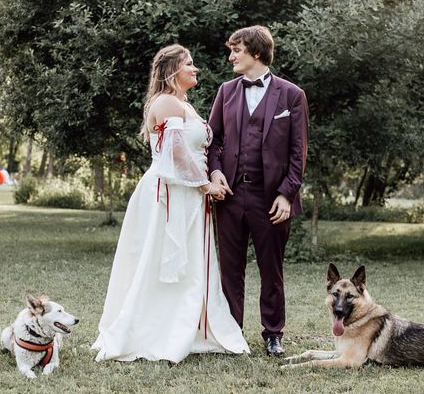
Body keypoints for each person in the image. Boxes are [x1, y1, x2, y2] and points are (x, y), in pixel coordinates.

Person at [92, 44, 250, 363]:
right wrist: (205, 184)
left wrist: (211, 179)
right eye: (189, 64)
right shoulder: (165, 102)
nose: (195, 69)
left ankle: (188, 325)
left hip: (190, 193)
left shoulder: (183, 104)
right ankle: (156, 330)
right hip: (168, 196)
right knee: (160, 261)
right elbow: (174, 153)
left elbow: (198, 153)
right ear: (171, 70)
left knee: (191, 261)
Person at [207, 26, 308, 356]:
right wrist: (216, 172)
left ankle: (273, 333)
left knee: (271, 268)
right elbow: (213, 142)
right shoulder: (226, 91)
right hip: (231, 197)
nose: (231, 56)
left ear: (256, 53)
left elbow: (298, 151)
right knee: (230, 270)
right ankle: (232, 330)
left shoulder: (292, 95)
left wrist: (287, 193)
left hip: (272, 200)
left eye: (236, 50)